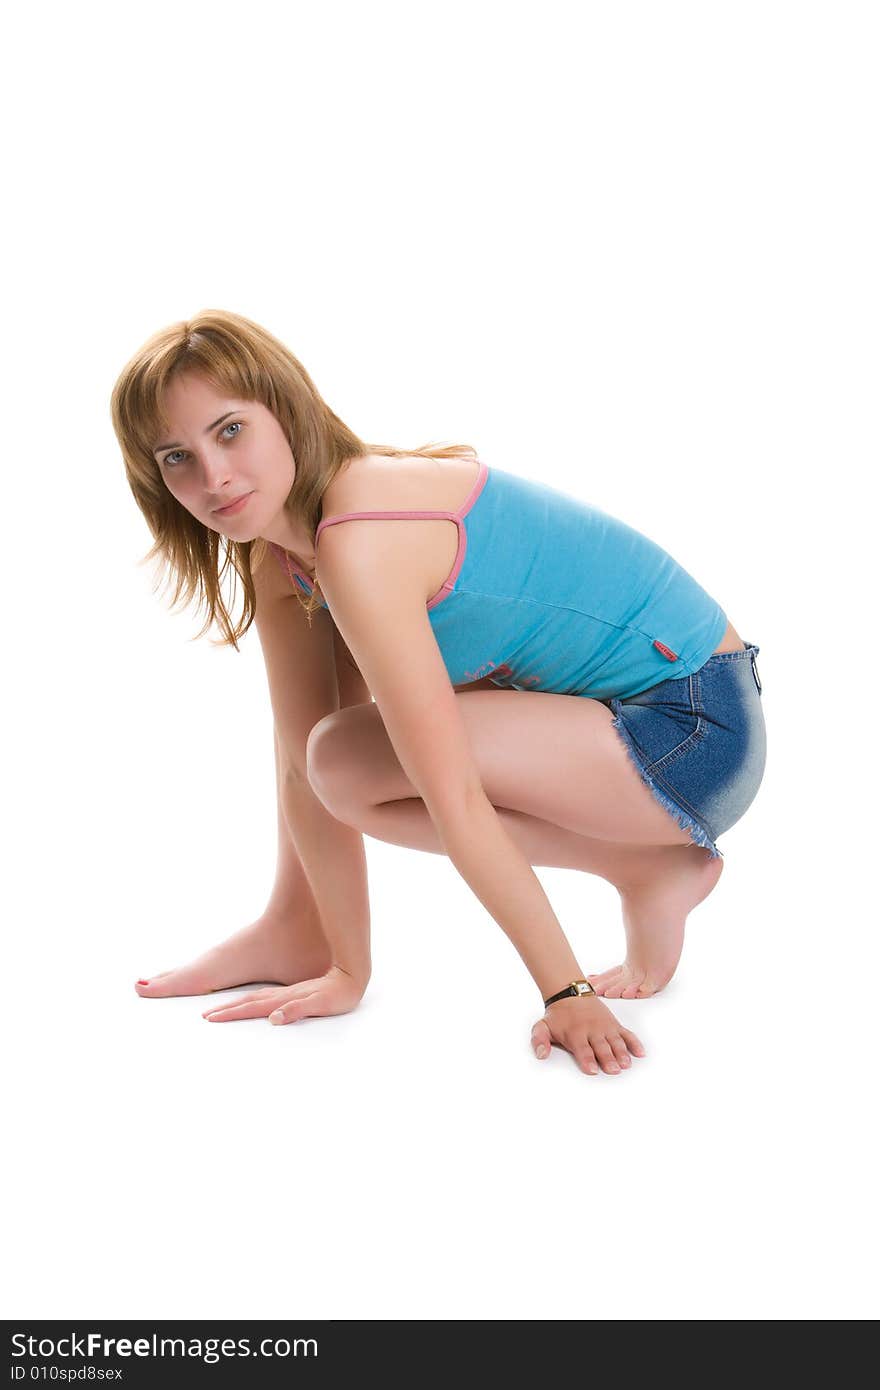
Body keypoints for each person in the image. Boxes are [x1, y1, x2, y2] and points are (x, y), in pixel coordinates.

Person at [111, 308, 767, 1077]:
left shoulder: (359, 540)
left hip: (697, 729)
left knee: (355, 762)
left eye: (229, 432)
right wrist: (339, 962)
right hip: (626, 732)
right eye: (177, 457)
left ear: (284, 411)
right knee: (332, 757)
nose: (212, 477)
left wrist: (566, 991)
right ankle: (299, 926)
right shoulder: (281, 559)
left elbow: (448, 788)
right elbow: (300, 760)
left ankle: (643, 864)